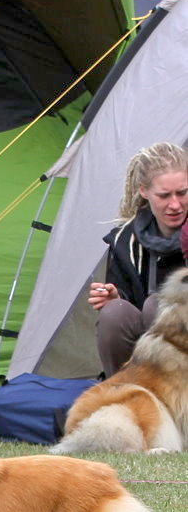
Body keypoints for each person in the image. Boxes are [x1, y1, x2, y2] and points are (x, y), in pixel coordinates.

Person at [88, 142, 188, 377]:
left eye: (183, 193)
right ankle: (124, 391)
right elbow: (129, 305)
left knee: (157, 305)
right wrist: (115, 297)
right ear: (144, 191)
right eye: (164, 195)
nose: (175, 204)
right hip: (147, 343)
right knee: (114, 313)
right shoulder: (126, 240)